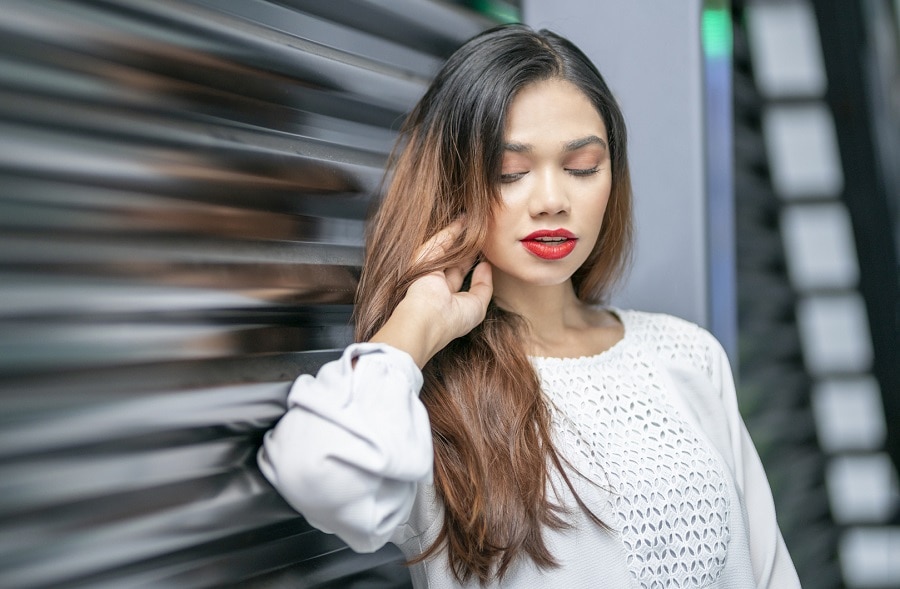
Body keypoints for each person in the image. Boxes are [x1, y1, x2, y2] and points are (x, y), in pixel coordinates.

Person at [258, 23, 801, 588]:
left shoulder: (687, 355)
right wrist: (413, 329)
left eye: (582, 167)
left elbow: (768, 574)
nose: (551, 201)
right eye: (509, 173)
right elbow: (318, 473)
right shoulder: (426, 394)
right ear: (456, 181)